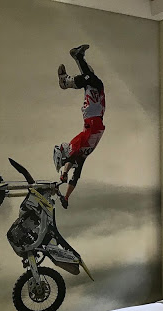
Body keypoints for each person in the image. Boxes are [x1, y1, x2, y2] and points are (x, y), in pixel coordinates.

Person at [53, 44, 106, 209]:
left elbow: (71, 161)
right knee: (91, 78)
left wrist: (64, 174)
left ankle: (67, 80)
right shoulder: (79, 155)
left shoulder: (77, 149)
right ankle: (78, 58)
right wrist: (66, 197)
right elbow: (76, 175)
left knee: (91, 80)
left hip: (92, 115)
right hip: (95, 117)